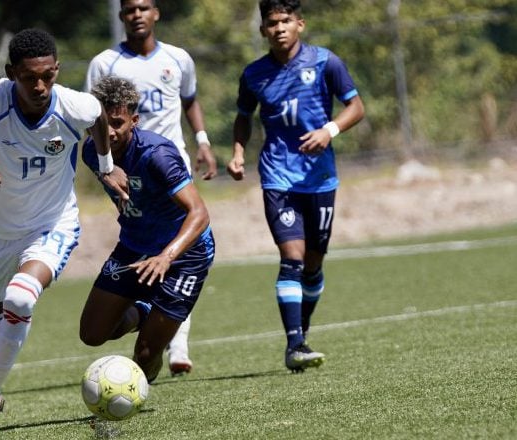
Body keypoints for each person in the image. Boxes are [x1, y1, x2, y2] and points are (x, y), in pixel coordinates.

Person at [0, 28, 128, 440]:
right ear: (11, 73)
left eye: (47, 76)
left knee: (21, 296)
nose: (39, 86)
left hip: (52, 225)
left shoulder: (76, 105)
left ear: (56, 70)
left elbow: (98, 120)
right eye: (28, 77)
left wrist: (107, 166)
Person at [227, 0, 365, 372]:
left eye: (286, 21)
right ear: (263, 30)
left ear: (300, 24)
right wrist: (239, 152)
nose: (279, 28)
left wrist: (329, 130)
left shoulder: (325, 62)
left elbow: (356, 107)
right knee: (292, 259)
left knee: (314, 264)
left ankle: (301, 331)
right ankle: (294, 344)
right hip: (278, 176)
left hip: (319, 177)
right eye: (272, 23)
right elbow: (243, 117)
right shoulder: (254, 74)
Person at [85, 0, 217, 376]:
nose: (108, 131)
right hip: (134, 243)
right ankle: (145, 308)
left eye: (117, 123)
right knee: (93, 334)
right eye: (101, 123)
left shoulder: (160, 155)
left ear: (133, 120)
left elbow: (200, 213)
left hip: (183, 251)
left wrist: (166, 256)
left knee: (145, 357)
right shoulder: (92, 151)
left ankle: (161, 329)